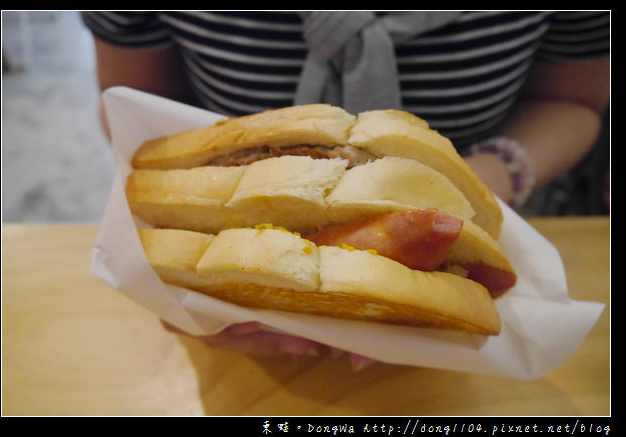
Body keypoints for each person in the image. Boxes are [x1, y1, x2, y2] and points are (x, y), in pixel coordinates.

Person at [82, 11, 610, 370]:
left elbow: (577, 99)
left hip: (495, 200)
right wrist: (184, 296)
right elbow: (136, 123)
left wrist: (494, 176)